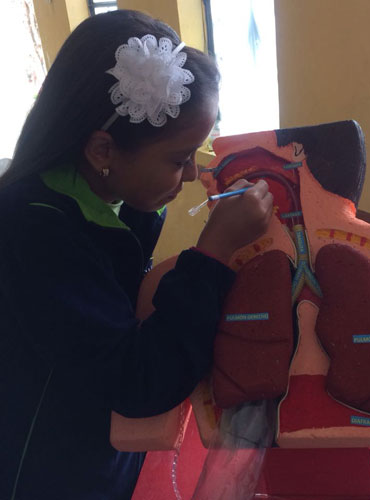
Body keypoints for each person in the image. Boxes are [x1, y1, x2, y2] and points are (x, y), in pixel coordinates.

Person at [0, 9, 273, 500]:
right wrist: (213, 252)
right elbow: (139, 383)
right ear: (103, 150)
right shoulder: (35, 230)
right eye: (179, 159)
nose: (193, 175)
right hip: (46, 470)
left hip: (96, 446)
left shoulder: (105, 196)